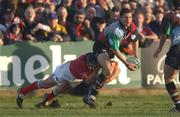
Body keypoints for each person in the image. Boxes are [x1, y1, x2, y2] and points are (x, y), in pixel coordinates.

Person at [16, 52, 119, 108]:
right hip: (64, 73)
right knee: (45, 84)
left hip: (73, 77)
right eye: (90, 65)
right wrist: (97, 70)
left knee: (61, 88)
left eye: (93, 65)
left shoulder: (89, 58)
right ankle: (22, 91)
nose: (91, 66)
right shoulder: (81, 66)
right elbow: (88, 81)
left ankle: (44, 101)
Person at [83, 8, 140, 107]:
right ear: (120, 18)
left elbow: (135, 40)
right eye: (125, 17)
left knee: (111, 73)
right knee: (108, 70)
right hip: (101, 47)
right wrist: (127, 64)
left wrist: (136, 57)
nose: (128, 19)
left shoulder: (132, 27)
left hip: (110, 50)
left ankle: (90, 94)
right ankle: (90, 94)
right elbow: (115, 49)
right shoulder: (115, 29)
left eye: (130, 17)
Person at [153, 0, 180, 112]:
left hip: (177, 48)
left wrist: (159, 48)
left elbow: (165, 34)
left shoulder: (169, 15)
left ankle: (178, 105)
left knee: (168, 77)